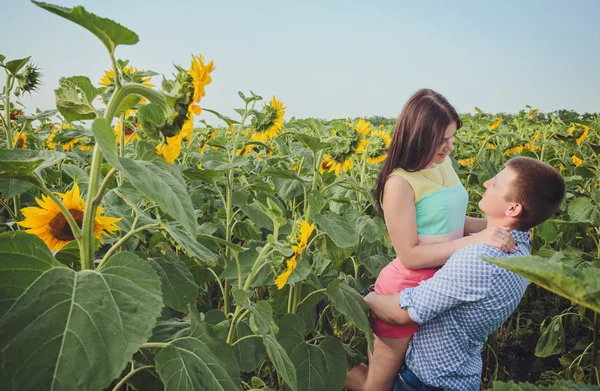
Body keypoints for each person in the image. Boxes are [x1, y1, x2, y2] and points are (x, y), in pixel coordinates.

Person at [344, 89, 517, 391]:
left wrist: (504, 227)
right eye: (441, 140)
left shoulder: (443, 164)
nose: (449, 147)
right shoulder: (399, 183)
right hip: (406, 287)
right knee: (379, 385)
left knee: (414, 375)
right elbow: (410, 254)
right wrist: (478, 241)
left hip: (441, 287)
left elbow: (453, 223)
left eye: (452, 137)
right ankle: (334, 367)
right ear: (417, 136)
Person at [363, 156, 565, 391]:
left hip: (429, 382)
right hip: (460, 374)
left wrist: (366, 297)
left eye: (497, 184)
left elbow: (403, 313)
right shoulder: (520, 248)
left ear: (513, 208)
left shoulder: (479, 260)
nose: (487, 182)